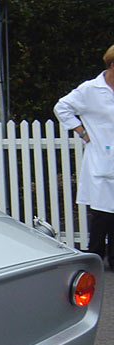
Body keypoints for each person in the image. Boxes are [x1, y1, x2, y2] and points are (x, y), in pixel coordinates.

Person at [54, 44, 114, 270]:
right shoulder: (90, 90)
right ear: (112, 64)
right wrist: (83, 133)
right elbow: (62, 108)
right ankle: (95, 256)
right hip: (100, 157)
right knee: (102, 214)